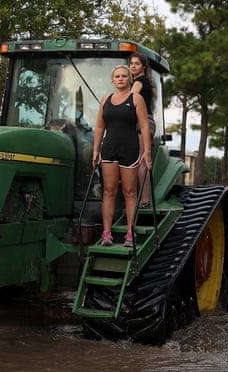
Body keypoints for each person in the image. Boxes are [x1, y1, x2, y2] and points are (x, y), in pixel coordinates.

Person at [92, 65, 152, 247]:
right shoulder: (106, 99)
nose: (120, 79)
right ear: (112, 79)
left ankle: (130, 234)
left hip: (130, 150)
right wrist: (95, 149)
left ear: (129, 79)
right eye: (117, 76)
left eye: (124, 76)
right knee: (109, 191)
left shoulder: (136, 99)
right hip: (109, 149)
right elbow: (100, 126)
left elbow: (144, 126)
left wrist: (147, 151)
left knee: (130, 192)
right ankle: (107, 233)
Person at [129, 52, 156, 208]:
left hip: (143, 122)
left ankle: (144, 200)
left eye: (137, 64)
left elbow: (130, 99)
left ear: (143, 67)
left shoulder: (139, 82)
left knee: (141, 161)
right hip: (138, 121)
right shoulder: (143, 82)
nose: (133, 66)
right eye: (131, 63)